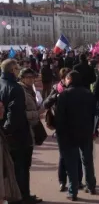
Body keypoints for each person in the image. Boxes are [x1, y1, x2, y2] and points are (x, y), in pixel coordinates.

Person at [0, 59, 39, 204]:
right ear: (12, 70)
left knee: (10, 168)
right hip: (17, 134)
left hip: (5, 133)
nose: (19, 70)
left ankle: (12, 195)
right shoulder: (15, 88)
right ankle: (23, 196)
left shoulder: (1, 83)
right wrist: (7, 131)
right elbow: (14, 114)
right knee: (22, 166)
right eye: (17, 68)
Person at [55, 71, 97, 201]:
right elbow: (95, 115)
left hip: (68, 134)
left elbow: (59, 117)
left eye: (67, 79)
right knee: (87, 160)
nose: (65, 81)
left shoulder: (64, 95)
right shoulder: (89, 94)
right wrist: (94, 131)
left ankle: (73, 191)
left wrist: (59, 132)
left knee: (71, 163)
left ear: (70, 79)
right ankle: (91, 185)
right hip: (86, 132)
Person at [43, 68, 84, 193]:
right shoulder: (57, 89)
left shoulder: (77, 90)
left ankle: (78, 180)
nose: (68, 80)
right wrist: (56, 96)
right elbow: (46, 104)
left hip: (75, 126)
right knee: (63, 156)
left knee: (76, 155)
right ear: (63, 79)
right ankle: (62, 181)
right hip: (61, 127)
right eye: (66, 77)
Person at [17, 68, 44, 204]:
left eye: (32, 77)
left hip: (29, 131)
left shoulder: (29, 90)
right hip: (23, 131)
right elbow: (20, 114)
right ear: (21, 78)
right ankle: (23, 195)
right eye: (28, 77)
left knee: (25, 166)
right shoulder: (20, 91)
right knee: (22, 167)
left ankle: (25, 193)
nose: (30, 80)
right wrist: (37, 113)